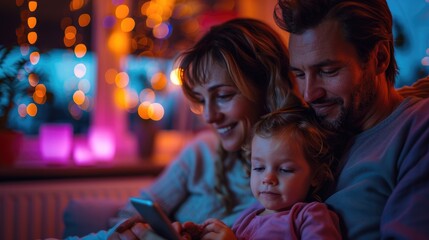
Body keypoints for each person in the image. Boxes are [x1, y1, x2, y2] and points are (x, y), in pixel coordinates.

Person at [65, 18, 304, 240]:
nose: (209, 116)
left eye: (223, 96)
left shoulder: (292, 176)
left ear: (267, 89)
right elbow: (129, 213)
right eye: (201, 100)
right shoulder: (203, 151)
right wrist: (138, 232)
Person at [274, 0, 429, 239]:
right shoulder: (313, 136)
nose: (309, 94)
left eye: (328, 71)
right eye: (300, 74)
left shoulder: (418, 129)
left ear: (380, 58)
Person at [172, 107, 342, 239]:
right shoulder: (251, 213)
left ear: (316, 176)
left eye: (285, 169)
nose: (268, 179)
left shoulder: (310, 216)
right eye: (259, 168)